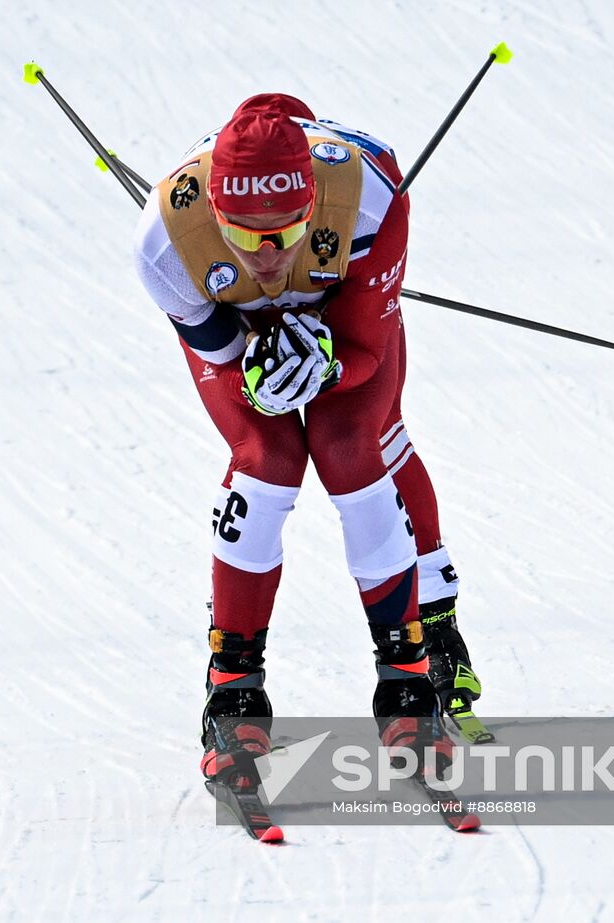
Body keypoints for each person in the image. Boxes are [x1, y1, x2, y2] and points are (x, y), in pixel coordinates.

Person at [131, 94, 486, 780]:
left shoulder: (375, 201)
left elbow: (368, 352)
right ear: (213, 214)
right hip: (238, 319)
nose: (267, 258)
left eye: (286, 232)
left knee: (358, 441)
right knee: (269, 456)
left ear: (314, 207)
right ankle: (232, 691)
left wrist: (326, 357)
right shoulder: (165, 243)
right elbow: (228, 366)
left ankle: (416, 662)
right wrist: (257, 377)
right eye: (244, 234)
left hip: (338, 302)